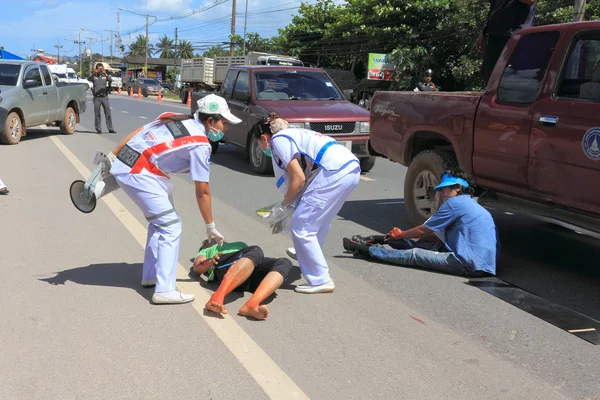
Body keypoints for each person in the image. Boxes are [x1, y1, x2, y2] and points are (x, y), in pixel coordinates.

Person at [105, 94, 242, 304]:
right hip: (142, 174)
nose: (225, 128)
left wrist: (113, 155)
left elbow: (139, 131)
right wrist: (210, 225)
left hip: (132, 167)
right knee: (171, 228)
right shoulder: (200, 144)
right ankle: (165, 290)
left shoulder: (175, 117)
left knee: (159, 224)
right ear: (210, 121)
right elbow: (202, 191)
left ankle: (151, 276)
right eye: (223, 122)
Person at [256, 113, 361, 294]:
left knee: (302, 224)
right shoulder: (296, 134)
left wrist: (283, 207)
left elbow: (298, 179)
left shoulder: (278, 140)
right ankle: (306, 253)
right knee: (318, 220)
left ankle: (320, 279)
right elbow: (303, 182)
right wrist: (290, 204)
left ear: (264, 137)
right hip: (350, 168)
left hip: (333, 170)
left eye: (259, 143)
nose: (262, 147)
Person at [343, 168, 498, 277]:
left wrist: (401, 234)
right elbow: (432, 236)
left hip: (467, 264)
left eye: (444, 189)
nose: (441, 193)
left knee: (415, 255)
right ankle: (377, 241)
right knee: (424, 245)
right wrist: (400, 238)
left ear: (457, 187)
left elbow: (424, 231)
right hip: (484, 264)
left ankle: (366, 250)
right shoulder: (471, 205)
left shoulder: (455, 203)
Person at [191, 240, 293, 320]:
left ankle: (252, 304)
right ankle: (218, 296)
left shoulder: (239, 245)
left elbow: (252, 258)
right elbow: (197, 268)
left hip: (249, 271)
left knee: (285, 262)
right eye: (207, 241)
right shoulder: (208, 250)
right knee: (256, 250)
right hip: (225, 265)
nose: (212, 239)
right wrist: (210, 261)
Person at [477, 0, 537, 84]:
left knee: (512, 76)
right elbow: (495, 8)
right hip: (494, 34)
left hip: (516, 35)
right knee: (488, 73)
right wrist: (484, 31)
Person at [88, 63, 116, 134]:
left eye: (101, 69)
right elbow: (89, 79)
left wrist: (105, 74)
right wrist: (94, 73)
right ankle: (98, 128)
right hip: (97, 97)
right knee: (97, 113)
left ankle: (110, 128)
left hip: (104, 96)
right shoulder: (94, 76)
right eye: (99, 69)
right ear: (96, 69)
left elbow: (110, 80)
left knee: (108, 112)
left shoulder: (105, 76)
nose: (100, 70)